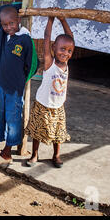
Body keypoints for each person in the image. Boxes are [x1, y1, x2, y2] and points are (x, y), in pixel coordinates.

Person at [0, 3, 38, 165]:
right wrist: (16, 7)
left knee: (13, 119)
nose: (8, 27)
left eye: (12, 23)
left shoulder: (25, 39)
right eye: (4, 24)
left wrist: (20, 79)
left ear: (19, 20)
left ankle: (7, 152)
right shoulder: (3, 35)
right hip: (1, 86)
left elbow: (33, 65)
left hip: (15, 90)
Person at [25, 15, 74, 168]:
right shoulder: (49, 62)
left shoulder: (66, 64)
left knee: (58, 134)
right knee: (37, 132)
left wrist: (63, 20)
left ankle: (56, 155)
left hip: (58, 106)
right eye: (62, 49)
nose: (65, 53)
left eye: (69, 50)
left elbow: (70, 37)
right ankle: (34, 154)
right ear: (53, 48)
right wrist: (51, 19)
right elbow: (47, 37)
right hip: (42, 104)